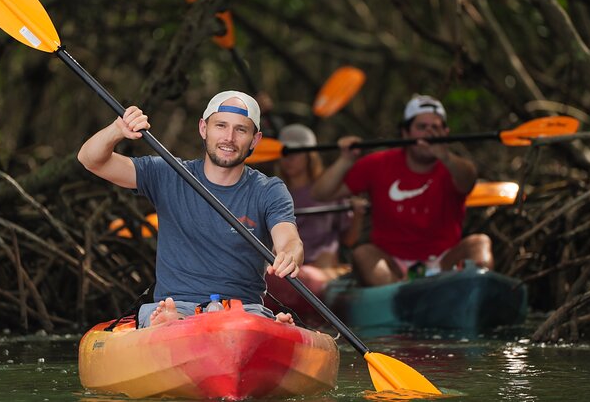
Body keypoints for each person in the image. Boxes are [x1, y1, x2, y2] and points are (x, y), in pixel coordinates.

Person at [77, 90, 303, 326]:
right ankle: (173, 322)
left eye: (241, 130)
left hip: (243, 312)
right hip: (175, 305)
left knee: (247, 321)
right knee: (169, 317)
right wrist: (117, 130)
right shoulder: (168, 173)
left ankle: (267, 328)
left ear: (255, 140)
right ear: (203, 129)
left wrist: (289, 255)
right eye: (221, 126)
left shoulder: (269, 190)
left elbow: (288, 238)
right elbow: (90, 159)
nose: (229, 137)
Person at [311, 94, 493, 286]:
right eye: (422, 127)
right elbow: (321, 193)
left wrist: (444, 155)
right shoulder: (378, 164)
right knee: (363, 254)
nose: (429, 133)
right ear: (406, 133)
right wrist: (345, 160)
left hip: (444, 261)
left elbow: (468, 181)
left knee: (479, 243)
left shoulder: (455, 168)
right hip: (393, 265)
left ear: (445, 133)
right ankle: (399, 298)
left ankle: (475, 297)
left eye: (436, 128)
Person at [276, 124, 366, 277]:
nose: (288, 159)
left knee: (324, 260)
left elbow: (349, 240)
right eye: (285, 153)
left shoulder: (327, 191)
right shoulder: (273, 192)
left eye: (295, 153)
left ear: (309, 156)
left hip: (322, 267)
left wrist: (358, 215)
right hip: (286, 265)